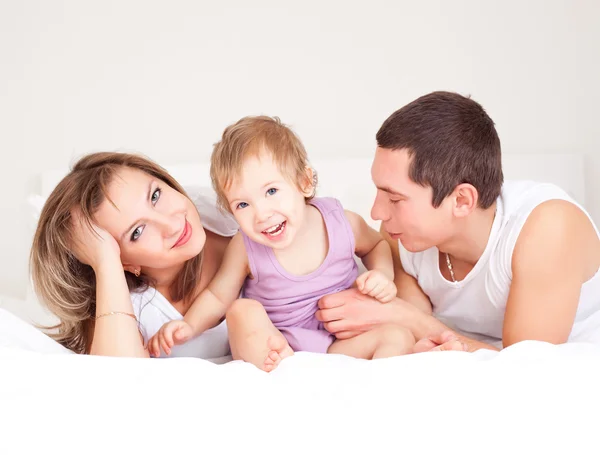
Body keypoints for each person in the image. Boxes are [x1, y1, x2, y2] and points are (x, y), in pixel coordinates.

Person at [316, 91, 600, 352]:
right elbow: (418, 334)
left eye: (395, 199)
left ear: (462, 201)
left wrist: (403, 316)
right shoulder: (399, 237)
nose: (377, 213)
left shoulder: (547, 228)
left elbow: (524, 367)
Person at [148, 116, 415, 371]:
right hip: (281, 344)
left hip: (343, 343)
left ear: (304, 182)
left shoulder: (341, 223)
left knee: (398, 337)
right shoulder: (245, 246)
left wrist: (382, 275)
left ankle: (370, 393)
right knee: (241, 310)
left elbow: (376, 246)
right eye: (243, 204)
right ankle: (277, 369)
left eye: (271, 191)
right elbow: (218, 295)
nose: (261, 214)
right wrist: (189, 326)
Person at [30, 152, 238, 358]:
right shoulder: (128, 306)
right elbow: (122, 379)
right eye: (137, 232)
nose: (172, 225)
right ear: (124, 262)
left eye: (155, 196)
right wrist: (106, 261)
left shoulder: (225, 211)